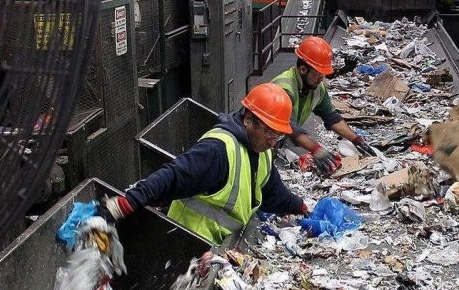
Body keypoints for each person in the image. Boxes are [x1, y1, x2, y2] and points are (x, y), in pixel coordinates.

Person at [100, 83, 308, 247]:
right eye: (269, 132)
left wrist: (300, 207)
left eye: (279, 135)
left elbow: (273, 191)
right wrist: (126, 203)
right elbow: (174, 176)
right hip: (186, 244)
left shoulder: (261, 152)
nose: (273, 141)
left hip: (220, 245)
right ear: (248, 120)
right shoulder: (218, 150)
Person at [271, 36, 377, 175]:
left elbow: (331, 117)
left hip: (275, 141)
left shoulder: (317, 88)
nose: (322, 79)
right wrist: (316, 149)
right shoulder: (284, 88)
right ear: (303, 70)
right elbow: (290, 127)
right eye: (319, 74)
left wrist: (357, 140)